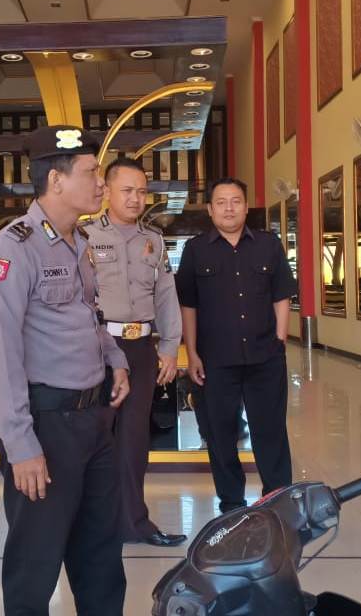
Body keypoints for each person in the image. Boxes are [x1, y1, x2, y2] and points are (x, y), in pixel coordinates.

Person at [0, 125, 131, 615]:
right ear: (56, 181)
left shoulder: (78, 240)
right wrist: (20, 444)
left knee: (101, 554)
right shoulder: (11, 249)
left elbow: (87, 314)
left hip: (92, 420)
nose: (102, 183)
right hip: (45, 425)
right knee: (35, 560)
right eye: (91, 173)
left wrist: (114, 358)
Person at [174, 177, 296, 514]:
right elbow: (188, 305)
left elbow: (281, 295)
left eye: (236, 201)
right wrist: (192, 353)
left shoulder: (268, 245)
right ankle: (231, 504)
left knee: (270, 432)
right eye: (221, 202)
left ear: (246, 206)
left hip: (265, 357)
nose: (229, 208)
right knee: (220, 434)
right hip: (215, 361)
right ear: (210, 209)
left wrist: (280, 340)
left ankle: (277, 502)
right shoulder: (196, 249)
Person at [84, 157, 186, 547]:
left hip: (142, 348)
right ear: (106, 191)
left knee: (134, 439)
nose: (135, 198)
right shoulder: (86, 236)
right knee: (95, 437)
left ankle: (134, 523)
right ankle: (92, 523)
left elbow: (166, 297)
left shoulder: (154, 241)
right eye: (127, 190)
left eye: (142, 191)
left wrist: (170, 347)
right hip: (98, 348)